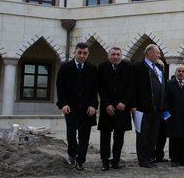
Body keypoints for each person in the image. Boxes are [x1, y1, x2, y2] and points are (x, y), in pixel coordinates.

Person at [56, 42, 98, 171]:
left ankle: (81, 160)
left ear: (88, 54)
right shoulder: (65, 67)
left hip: (87, 108)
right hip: (70, 107)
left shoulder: (92, 68)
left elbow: (94, 89)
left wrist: (93, 105)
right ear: (75, 52)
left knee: (85, 135)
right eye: (79, 52)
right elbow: (60, 87)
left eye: (85, 53)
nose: (82, 55)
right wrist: (63, 104)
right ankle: (72, 154)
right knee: (71, 133)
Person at [97, 47, 134, 171]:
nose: (116, 57)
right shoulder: (102, 67)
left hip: (122, 108)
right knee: (105, 137)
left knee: (119, 137)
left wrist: (124, 102)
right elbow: (100, 87)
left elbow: (130, 87)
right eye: (113, 54)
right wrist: (107, 104)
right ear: (109, 56)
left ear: (121, 55)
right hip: (106, 108)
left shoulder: (128, 67)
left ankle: (116, 161)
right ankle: (105, 161)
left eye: (118, 54)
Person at [131, 44, 167, 168]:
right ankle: (143, 160)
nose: (160, 55)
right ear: (149, 53)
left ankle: (150, 158)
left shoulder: (159, 68)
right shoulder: (138, 67)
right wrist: (133, 105)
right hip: (142, 109)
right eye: (157, 53)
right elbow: (133, 87)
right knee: (143, 135)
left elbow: (162, 87)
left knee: (153, 135)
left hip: (157, 109)